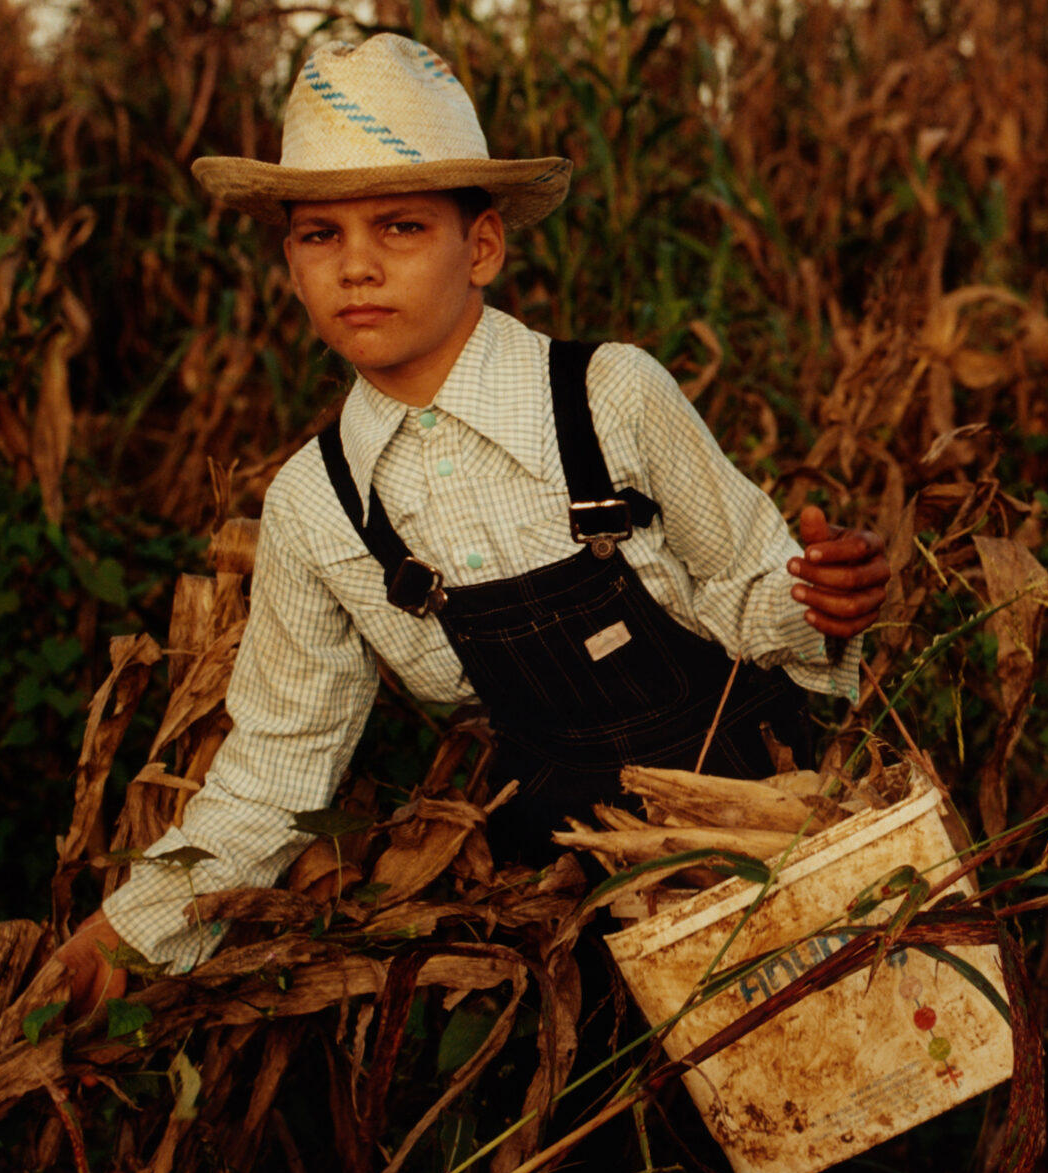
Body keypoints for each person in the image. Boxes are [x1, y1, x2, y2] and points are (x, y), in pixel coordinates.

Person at [55, 34, 889, 1016]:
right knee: (615, 1151)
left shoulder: (610, 395)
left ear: (481, 244)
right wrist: (137, 924)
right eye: (320, 234)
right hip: (559, 915)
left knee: (838, 1108)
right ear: (289, 262)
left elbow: (749, 592)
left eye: (401, 226)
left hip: (768, 845)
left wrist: (820, 599)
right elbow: (279, 761)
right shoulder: (316, 504)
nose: (356, 265)